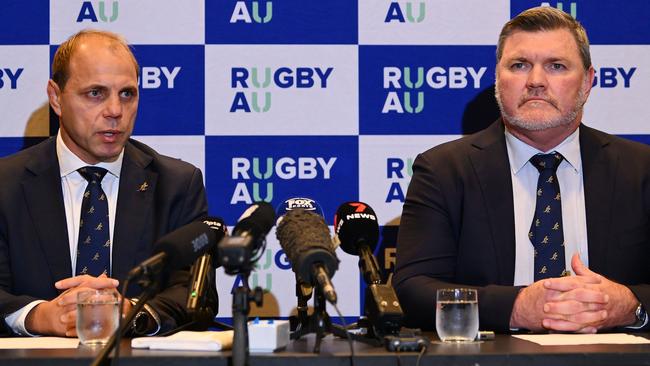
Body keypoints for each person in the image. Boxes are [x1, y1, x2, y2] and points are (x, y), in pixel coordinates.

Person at [394, 6, 650, 333]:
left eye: (556, 66)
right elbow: (412, 289)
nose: (536, 81)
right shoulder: (443, 171)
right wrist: (515, 307)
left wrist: (631, 305)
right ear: (498, 79)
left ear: (587, 82)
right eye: (519, 65)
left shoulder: (640, 170)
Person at [0, 30, 210, 336]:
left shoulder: (177, 185)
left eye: (127, 93)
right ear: (56, 97)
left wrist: (131, 313)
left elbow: (194, 294)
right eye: (95, 93)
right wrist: (38, 316)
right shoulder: (6, 185)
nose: (115, 111)